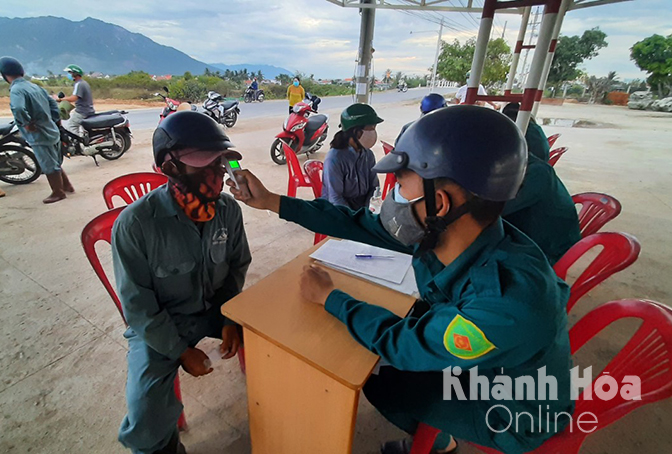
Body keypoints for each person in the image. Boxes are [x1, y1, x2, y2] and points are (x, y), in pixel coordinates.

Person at [228, 106, 573, 454]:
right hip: (492, 364)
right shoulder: (464, 233)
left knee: (381, 379)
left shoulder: (503, 304)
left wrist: (331, 297)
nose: (393, 196)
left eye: (401, 184)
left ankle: (440, 442)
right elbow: (357, 223)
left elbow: (401, 345)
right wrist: (273, 201)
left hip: (511, 411)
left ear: (439, 202)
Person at [112, 111, 252, 454]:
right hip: (162, 324)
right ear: (171, 167)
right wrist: (179, 350)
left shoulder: (228, 211)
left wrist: (230, 318)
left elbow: (236, 268)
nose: (217, 173)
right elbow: (138, 307)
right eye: (205, 164)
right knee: (145, 414)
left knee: (279, 343)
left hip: (215, 310)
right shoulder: (136, 224)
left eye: (219, 162)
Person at [501, 103, 581, 264]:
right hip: (535, 233)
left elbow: (495, 210)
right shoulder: (522, 164)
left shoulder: (535, 173)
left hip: (546, 248)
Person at [0, 56, 74, 204]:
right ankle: (67, 186)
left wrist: (26, 123)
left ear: (4, 75)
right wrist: (55, 120)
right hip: (51, 129)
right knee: (54, 161)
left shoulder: (17, 90)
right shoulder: (35, 86)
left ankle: (58, 192)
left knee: (48, 163)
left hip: (39, 132)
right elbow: (52, 103)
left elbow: (18, 108)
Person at [322, 103, 382, 210]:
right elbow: (335, 198)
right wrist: (354, 218)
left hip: (360, 209)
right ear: (356, 132)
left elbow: (374, 187)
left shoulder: (368, 155)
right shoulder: (334, 159)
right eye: (371, 128)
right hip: (338, 211)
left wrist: (366, 212)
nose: (374, 132)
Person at [55, 64, 95, 142]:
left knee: (71, 127)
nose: (68, 75)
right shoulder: (83, 83)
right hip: (87, 109)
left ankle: (78, 144)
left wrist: (60, 99)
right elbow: (75, 96)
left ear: (75, 74)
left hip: (82, 111)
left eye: (70, 73)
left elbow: (74, 98)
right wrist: (65, 98)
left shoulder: (79, 84)